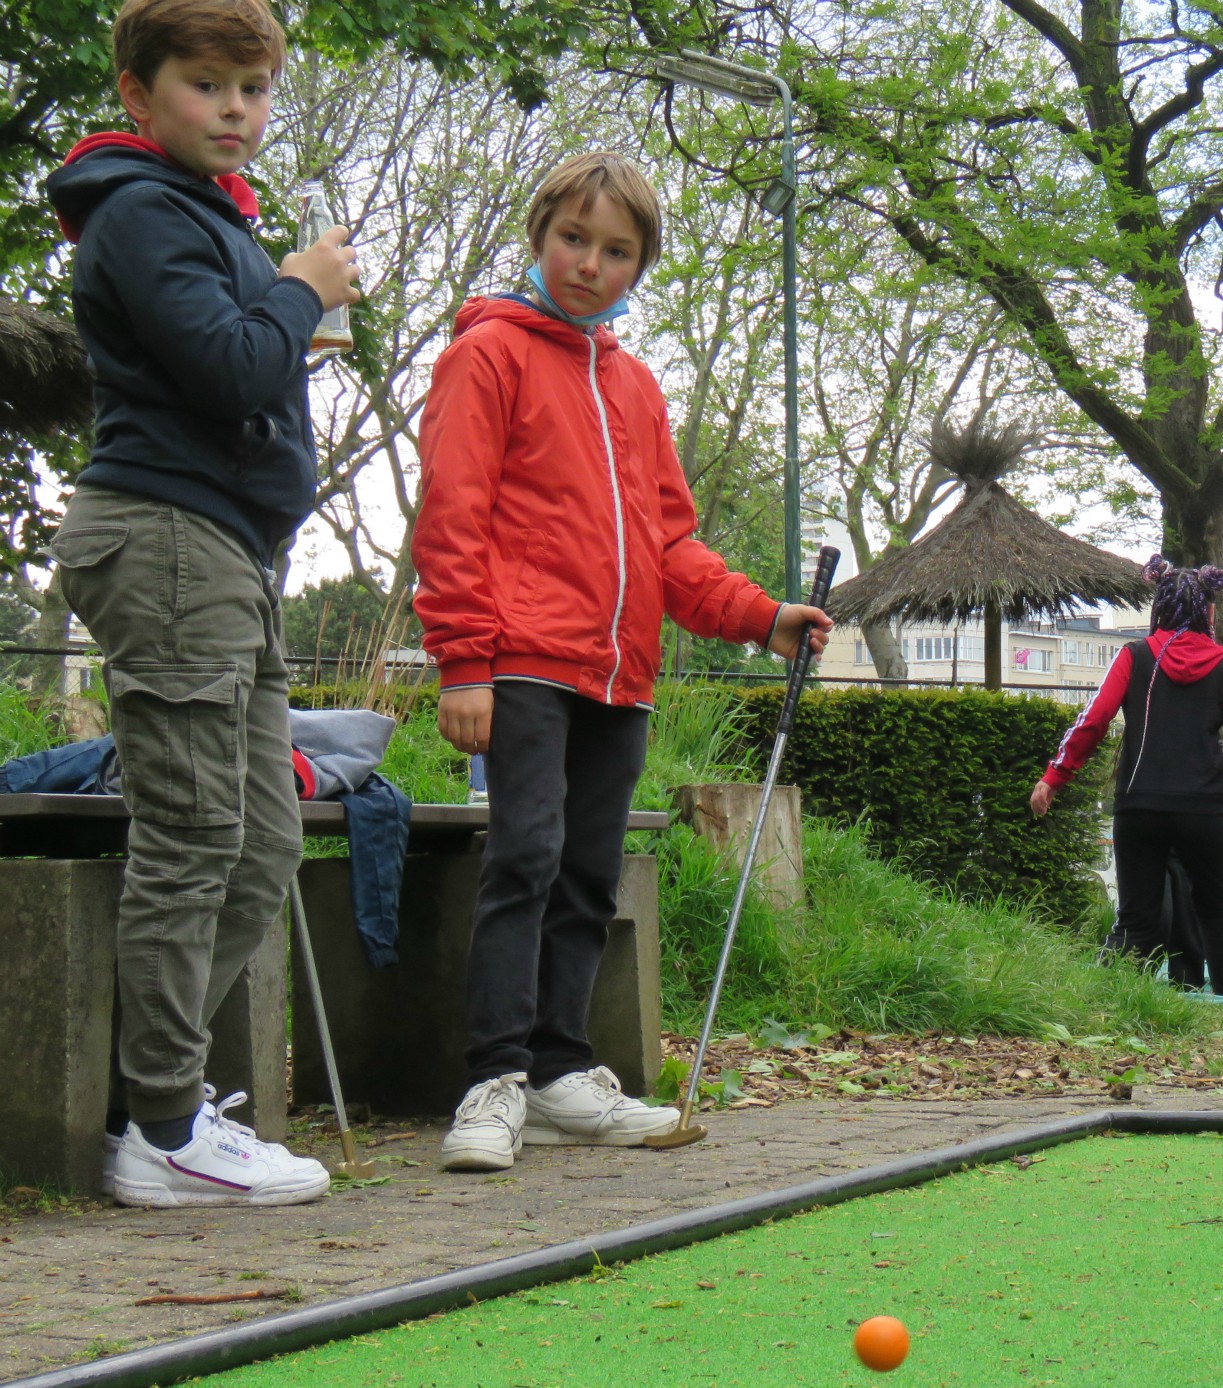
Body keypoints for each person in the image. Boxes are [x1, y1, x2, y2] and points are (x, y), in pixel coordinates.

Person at [413, 152, 831, 1172]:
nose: (589, 265)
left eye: (616, 252)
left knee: (589, 876)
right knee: (524, 859)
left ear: (640, 265)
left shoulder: (634, 387)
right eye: (573, 241)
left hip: (618, 678)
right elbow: (453, 514)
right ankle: (493, 1080)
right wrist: (463, 662)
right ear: (538, 233)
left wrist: (758, 617)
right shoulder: (487, 358)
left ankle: (561, 1073)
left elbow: (669, 546)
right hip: (519, 663)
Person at [43, 0, 360, 1207]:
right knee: (190, 835)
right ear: (138, 94)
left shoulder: (202, 217)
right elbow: (230, 363)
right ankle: (165, 1129)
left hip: (224, 554)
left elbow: (233, 362)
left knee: (262, 834)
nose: (236, 111)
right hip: (167, 543)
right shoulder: (136, 215)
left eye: (254, 89)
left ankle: (157, 1105)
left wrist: (283, 310)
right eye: (206, 86)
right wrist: (296, 289)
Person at [1031, 557, 1223, 996]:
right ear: (1207, 613)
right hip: (1203, 809)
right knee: (1216, 908)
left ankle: (1112, 1003)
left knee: (1136, 916)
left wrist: (1054, 776)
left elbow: (1094, 720)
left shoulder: (1133, 656)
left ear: (1159, 609)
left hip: (1139, 806)